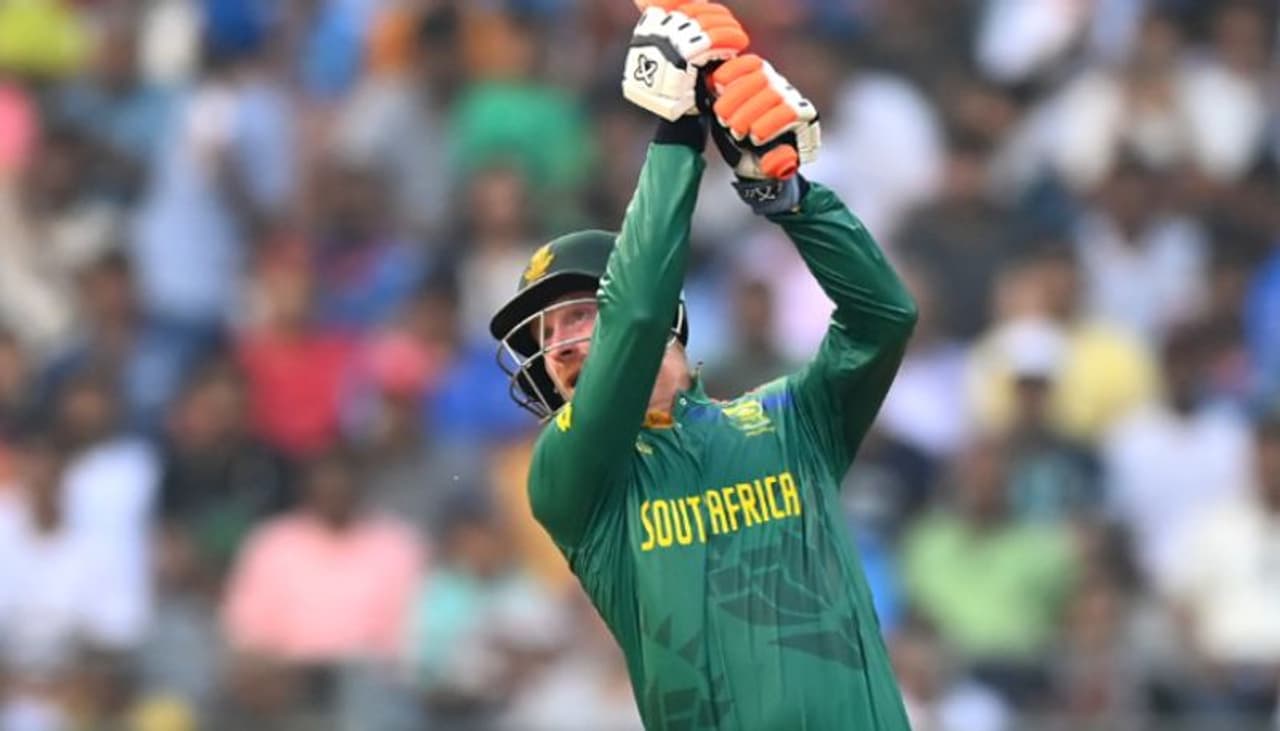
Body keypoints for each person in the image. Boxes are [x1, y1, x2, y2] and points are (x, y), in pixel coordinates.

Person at [488, 4, 916, 728]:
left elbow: (884, 317)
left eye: (578, 315)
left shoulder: (791, 424)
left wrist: (790, 199)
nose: (556, 346)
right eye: (544, 334)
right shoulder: (571, 476)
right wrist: (678, 127)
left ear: (674, 326)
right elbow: (636, 318)